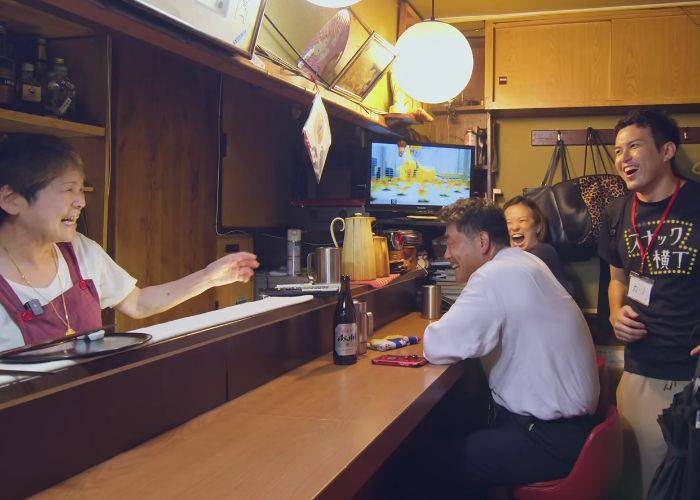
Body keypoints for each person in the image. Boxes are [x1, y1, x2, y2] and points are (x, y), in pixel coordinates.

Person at [0, 134, 259, 351]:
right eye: (69, 190)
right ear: (12, 200)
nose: (81, 202)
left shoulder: (82, 252)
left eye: (81, 189)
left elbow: (137, 303)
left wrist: (209, 277)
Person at [423, 198, 599, 495]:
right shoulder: (525, 261)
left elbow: (437, 345)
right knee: (456, 426)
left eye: (451, 244)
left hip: (547, 440)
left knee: (429, 461)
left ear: (482, 241)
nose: (447, 254)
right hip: (570, 429)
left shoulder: (493, 275)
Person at [598, 109, 700, 498]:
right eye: (618, 149)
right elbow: (616, 276)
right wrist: (613, 310)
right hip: (642, 371)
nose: (623, 157)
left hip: (694, 372)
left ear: (667, 150)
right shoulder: (617, 212)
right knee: (641, 485)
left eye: (635, 146)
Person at [503, 195, 573, 294]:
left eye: (522, 220)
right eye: (508, 222)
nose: (514, 227)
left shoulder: (544, 252)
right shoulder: (507, 256)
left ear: (537, 227)